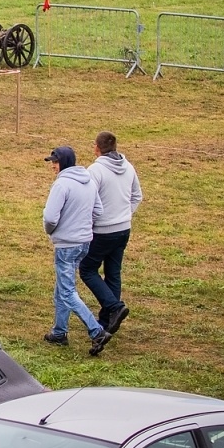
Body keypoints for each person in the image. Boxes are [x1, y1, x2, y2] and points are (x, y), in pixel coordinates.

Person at [42, 146, 111, 356]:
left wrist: (53, 231)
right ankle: (59, 331)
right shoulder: (88, 181)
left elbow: (50, 217)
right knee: (62, 287)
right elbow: (98, 210)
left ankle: (96, 331)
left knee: (67, 291)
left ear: (63, 162)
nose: (53, 166)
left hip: (66, 245)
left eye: (55, 162)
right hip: (84, 243)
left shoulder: (61, 184)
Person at [82, 131, 142, 337]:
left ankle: (114, 307)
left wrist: (91, 224)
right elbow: (137, 196)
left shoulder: (95, 170)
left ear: (96, 148)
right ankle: (108, 321)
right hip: (123, 229)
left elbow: (88, 201)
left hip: (102, 231)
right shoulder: (129, 166)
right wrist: (125, 215)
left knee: (87, 269)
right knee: (113, 273)